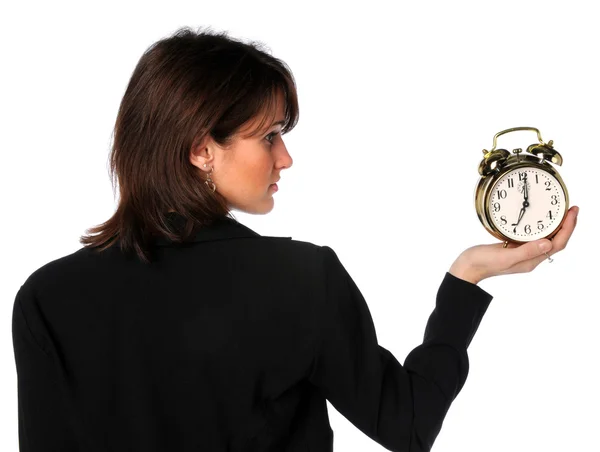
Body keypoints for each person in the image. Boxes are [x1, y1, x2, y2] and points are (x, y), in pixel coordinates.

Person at [11, 26, 579, 452]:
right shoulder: (301, 280)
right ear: (201, 148)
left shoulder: (46, 297)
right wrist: (466, 280)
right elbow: (406, 423)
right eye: (271, 136)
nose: (286, 157)